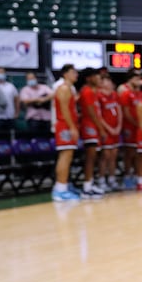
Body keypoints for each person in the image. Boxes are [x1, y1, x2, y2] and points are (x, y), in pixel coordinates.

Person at [51, 64, 81, 201]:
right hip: (64, 125)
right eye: (73, 72)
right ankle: (60, 189)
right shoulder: (63, 88)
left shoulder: (69, 89)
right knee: (65, 155)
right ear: (65, 74)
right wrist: (72, 127)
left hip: (67, 124)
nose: (76, 74)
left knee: (68, 156)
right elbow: (64, 110)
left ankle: (63, 186)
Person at [77, 68, 107, 199]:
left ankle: (90, 183)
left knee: (95, 157)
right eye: (96, 76)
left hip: (94, 126)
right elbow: (91, 112)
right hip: (89, 127)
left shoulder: (94, 92)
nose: (99, 78)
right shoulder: (87, 92)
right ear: (89, 78)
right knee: (90, 157)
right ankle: (86, 187)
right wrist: (101, 128)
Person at [96, 73, 123, 191]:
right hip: (106, 131)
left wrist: (118, 126)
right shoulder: (98, 96)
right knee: (105, 155)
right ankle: (101, 180)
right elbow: (99, 115)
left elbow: (119, 111)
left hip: (116, 129)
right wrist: (108, 128)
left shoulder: (115, 95)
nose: (109, 83)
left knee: (114, 155)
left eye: (109, 81)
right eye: (106, 81)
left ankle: (112, 179)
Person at [118, 68, 142, 190]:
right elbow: (125, 111)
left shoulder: (138, 92)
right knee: (129, 152)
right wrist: (135, 123)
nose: (139, 80)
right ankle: (127, 176)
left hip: (138, 126)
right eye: (137, 78)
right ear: (131, 78)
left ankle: (135, 175)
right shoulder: (124, 90)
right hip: (129, 126)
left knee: (137, 153)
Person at [0, 67, 19, 132]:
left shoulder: (11, 86)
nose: (0, 74)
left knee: (10, 137)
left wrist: (17, 113)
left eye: (2, 72)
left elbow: (16, 100)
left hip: (10, 116)